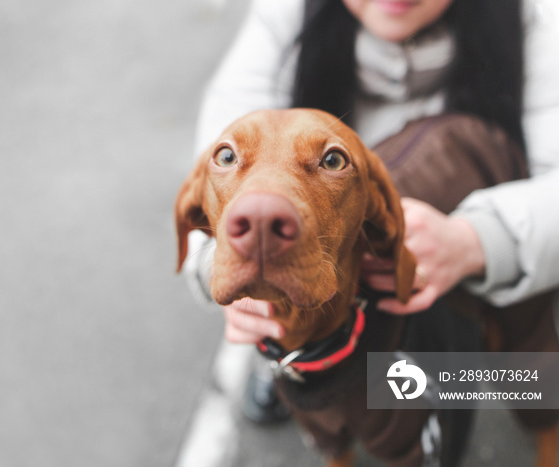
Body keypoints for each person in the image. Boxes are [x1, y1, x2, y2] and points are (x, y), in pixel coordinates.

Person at [184, 0, 559, 422]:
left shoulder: (536, 24)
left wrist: (482, 241)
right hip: (312, 251)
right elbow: (219, 162)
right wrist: (214, 261)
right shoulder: (284, 13)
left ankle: (519, 407)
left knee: (489, 379)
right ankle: (292, 362)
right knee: (331, 365)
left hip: (468, 231)